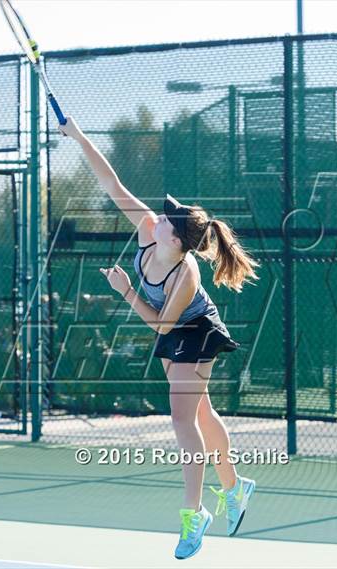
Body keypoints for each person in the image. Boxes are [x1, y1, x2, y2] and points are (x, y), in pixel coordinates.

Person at [59, 117, 261, 560]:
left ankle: (195, 514)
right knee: (201, 414)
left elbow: (163, 326)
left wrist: (126, 290)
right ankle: (235, 485)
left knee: (182, 420)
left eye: (168, 218)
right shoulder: (150, 229)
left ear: (176, 237)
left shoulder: (184, 273)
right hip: (171, 330)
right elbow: (112, 183)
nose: (160, 216)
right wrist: (79, 135)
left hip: (193, 329)